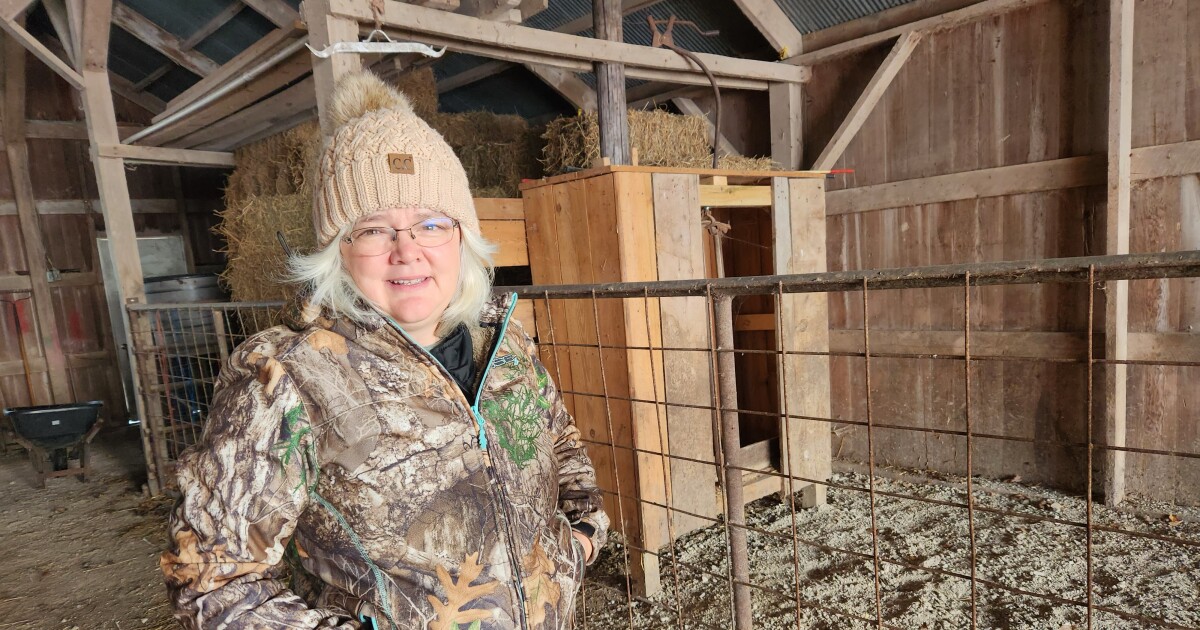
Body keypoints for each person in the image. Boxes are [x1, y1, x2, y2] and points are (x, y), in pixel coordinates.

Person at [161, 71, 608, 630]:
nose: (407, 251)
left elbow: (561, 442)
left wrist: (582, 534)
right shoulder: (288, 379)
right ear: (336, 252)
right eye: (373, 230)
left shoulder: (504, 342)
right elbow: (211, 580)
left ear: (461, 237)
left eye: (431, 224)